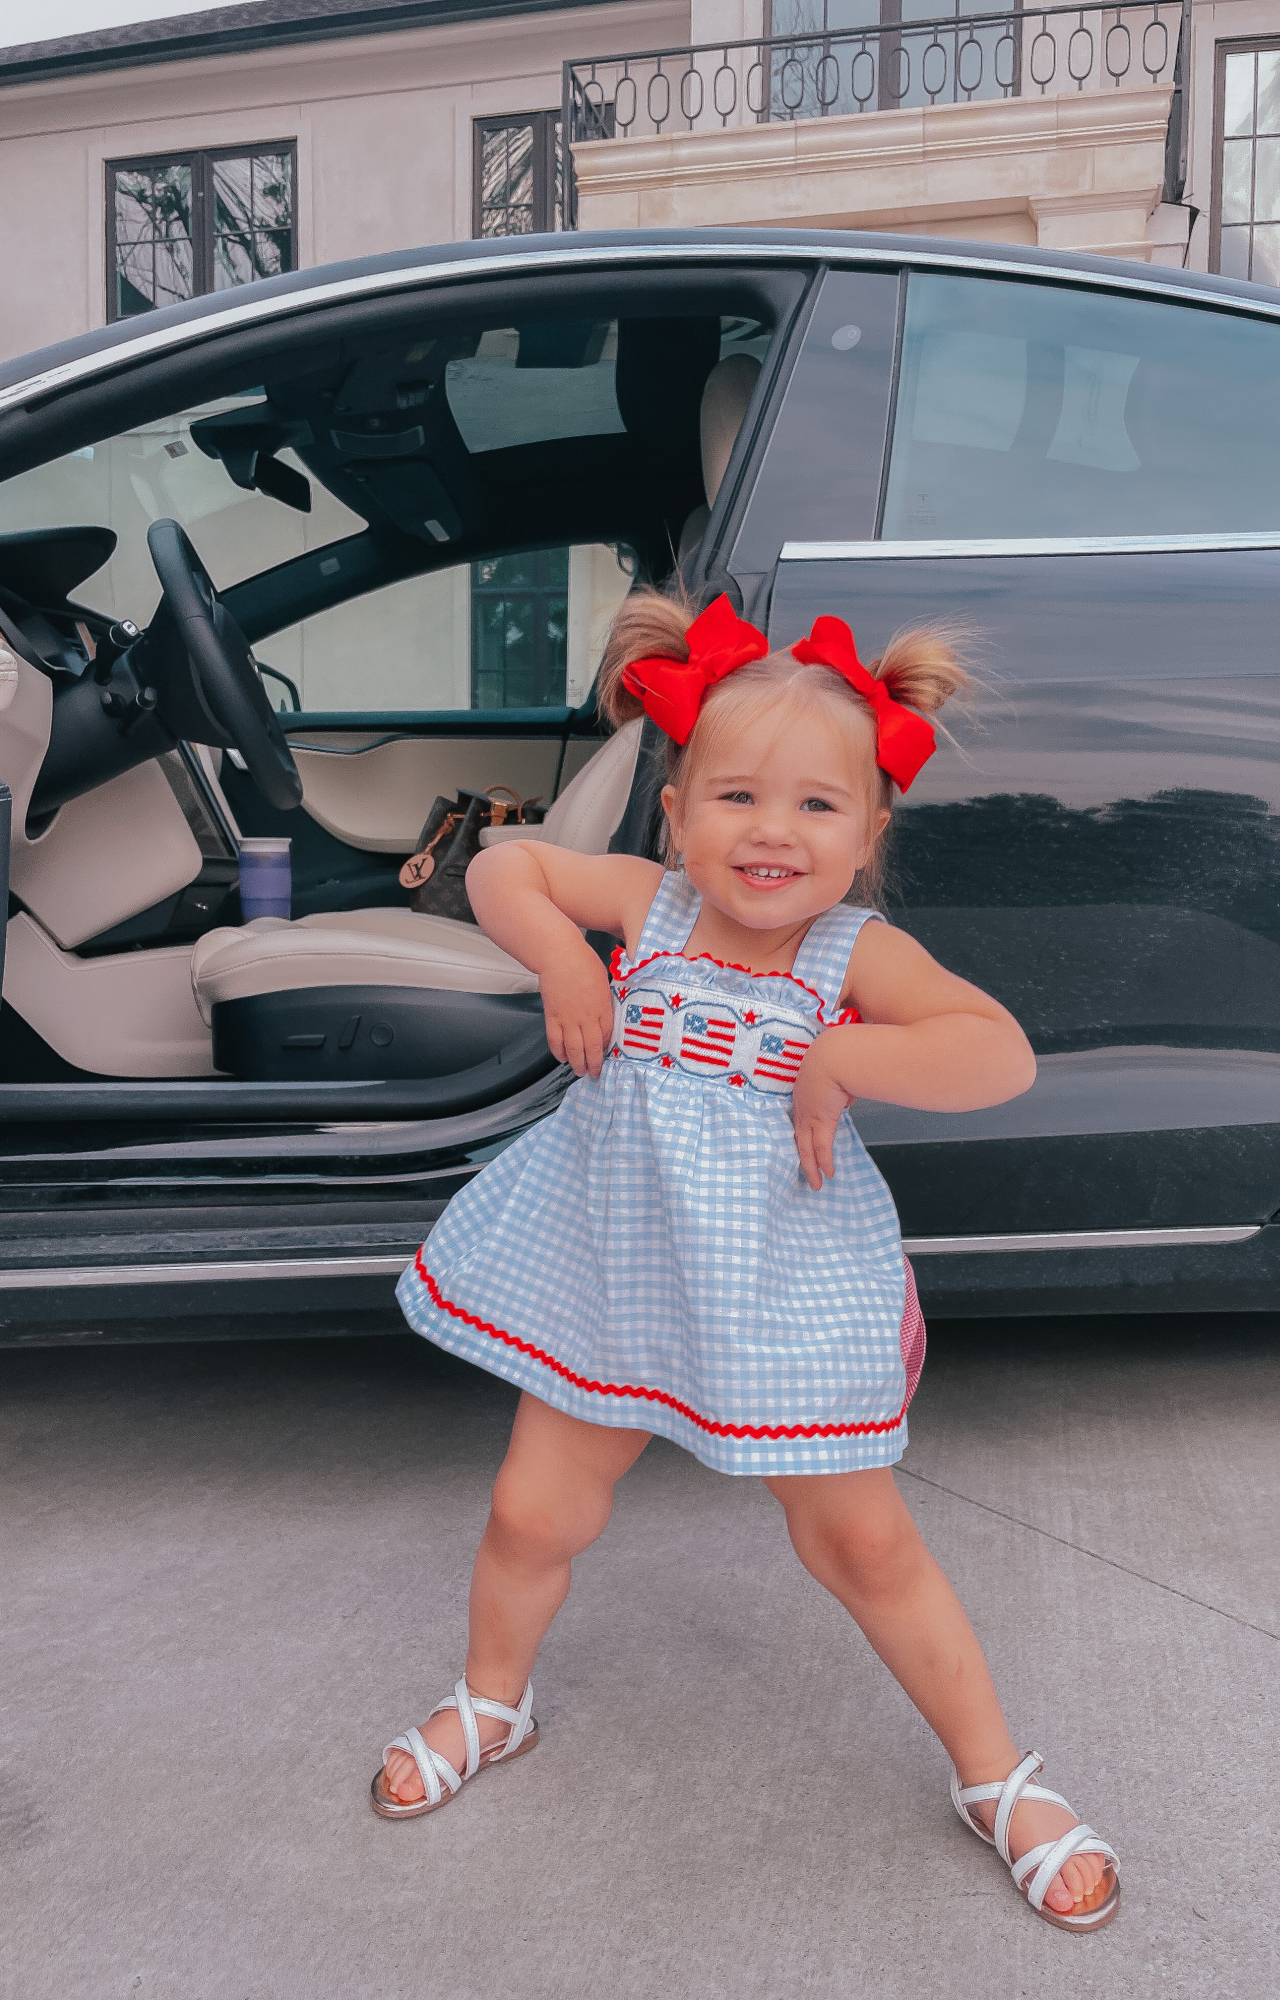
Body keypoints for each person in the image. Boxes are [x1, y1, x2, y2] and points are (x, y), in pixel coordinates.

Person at [375, 593, 1120, 1932]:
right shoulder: (649, 911)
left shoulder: (854, 956)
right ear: (676, 813)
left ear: (872, 832)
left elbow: (994, 1050)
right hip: (611, 1278)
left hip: (781, 1292)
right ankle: (495, 1700)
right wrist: (563, 959)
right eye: (735, 796)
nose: (772, 831)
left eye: (819, 808)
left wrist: (846, 1053)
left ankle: (995, 1775)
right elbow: (505, 868)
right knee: (534, 1513)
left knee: (863, 1546)